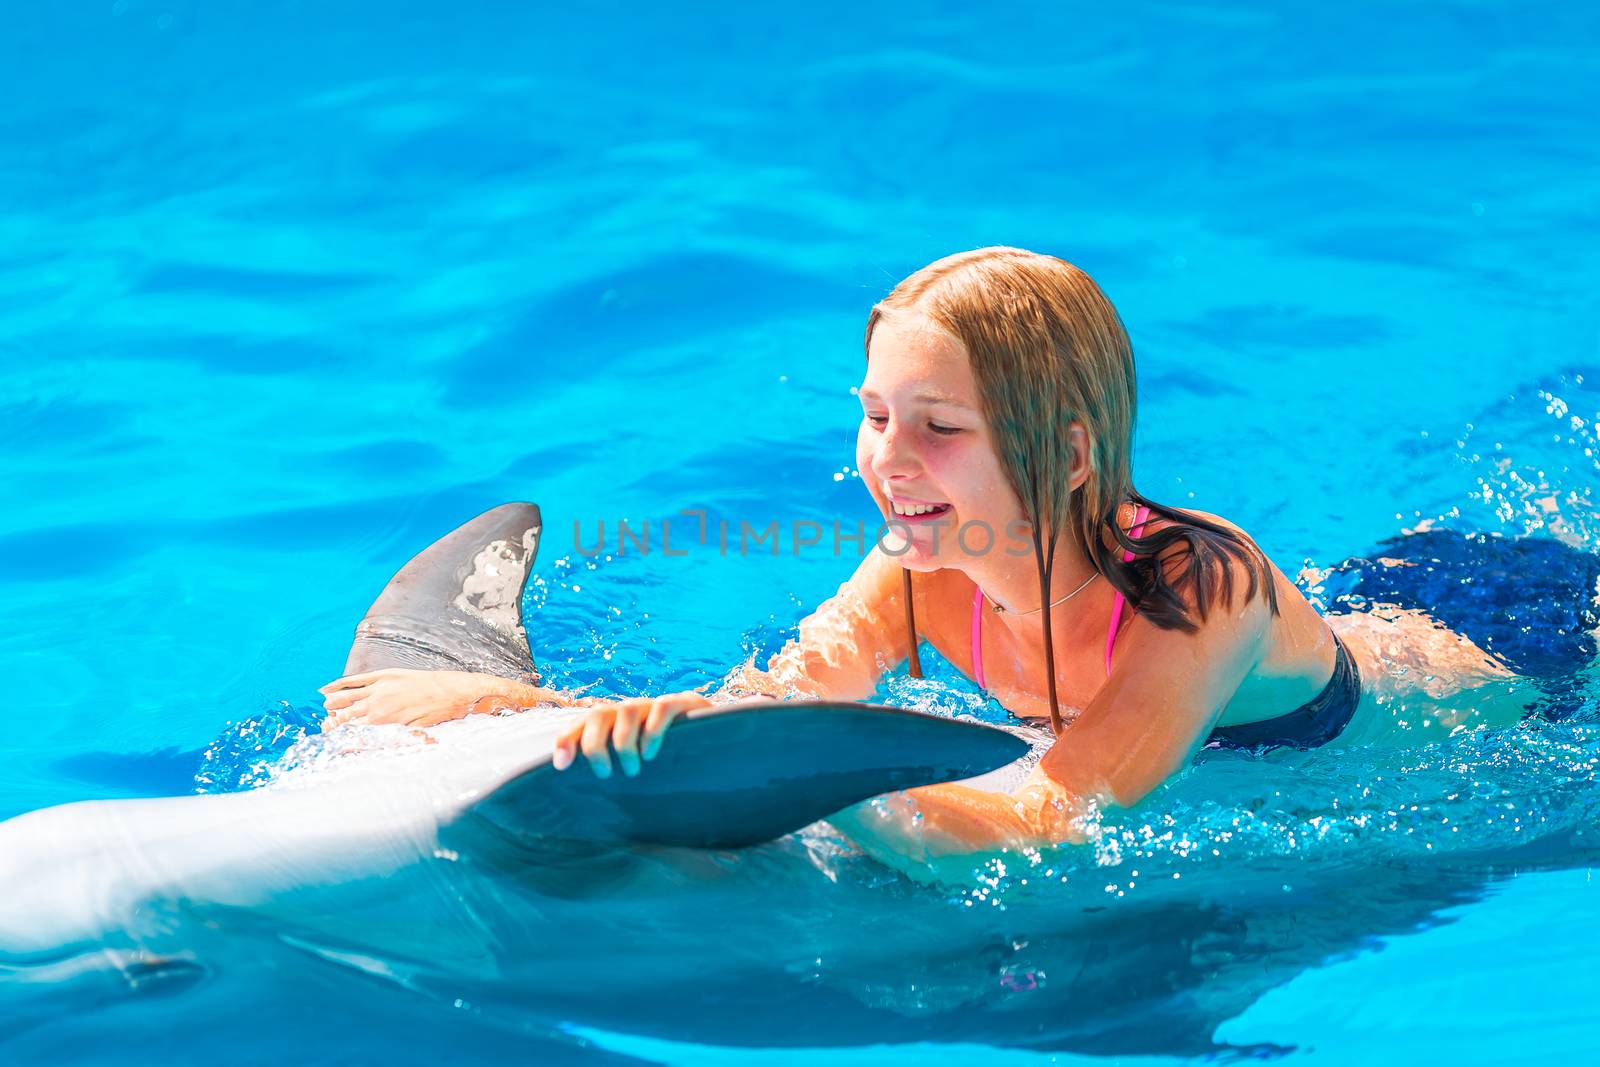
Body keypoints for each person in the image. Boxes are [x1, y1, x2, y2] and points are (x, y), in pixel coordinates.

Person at [321, 247, 1596, 878]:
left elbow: (1056, 811)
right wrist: (611, 729)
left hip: (1527, 648)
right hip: (1386, 595)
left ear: (1068, 445)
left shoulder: (1195, 589)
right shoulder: (920, 565)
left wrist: (839, 791)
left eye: (938, 428)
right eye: (875, 415)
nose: (889, 458)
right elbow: (783, 703)